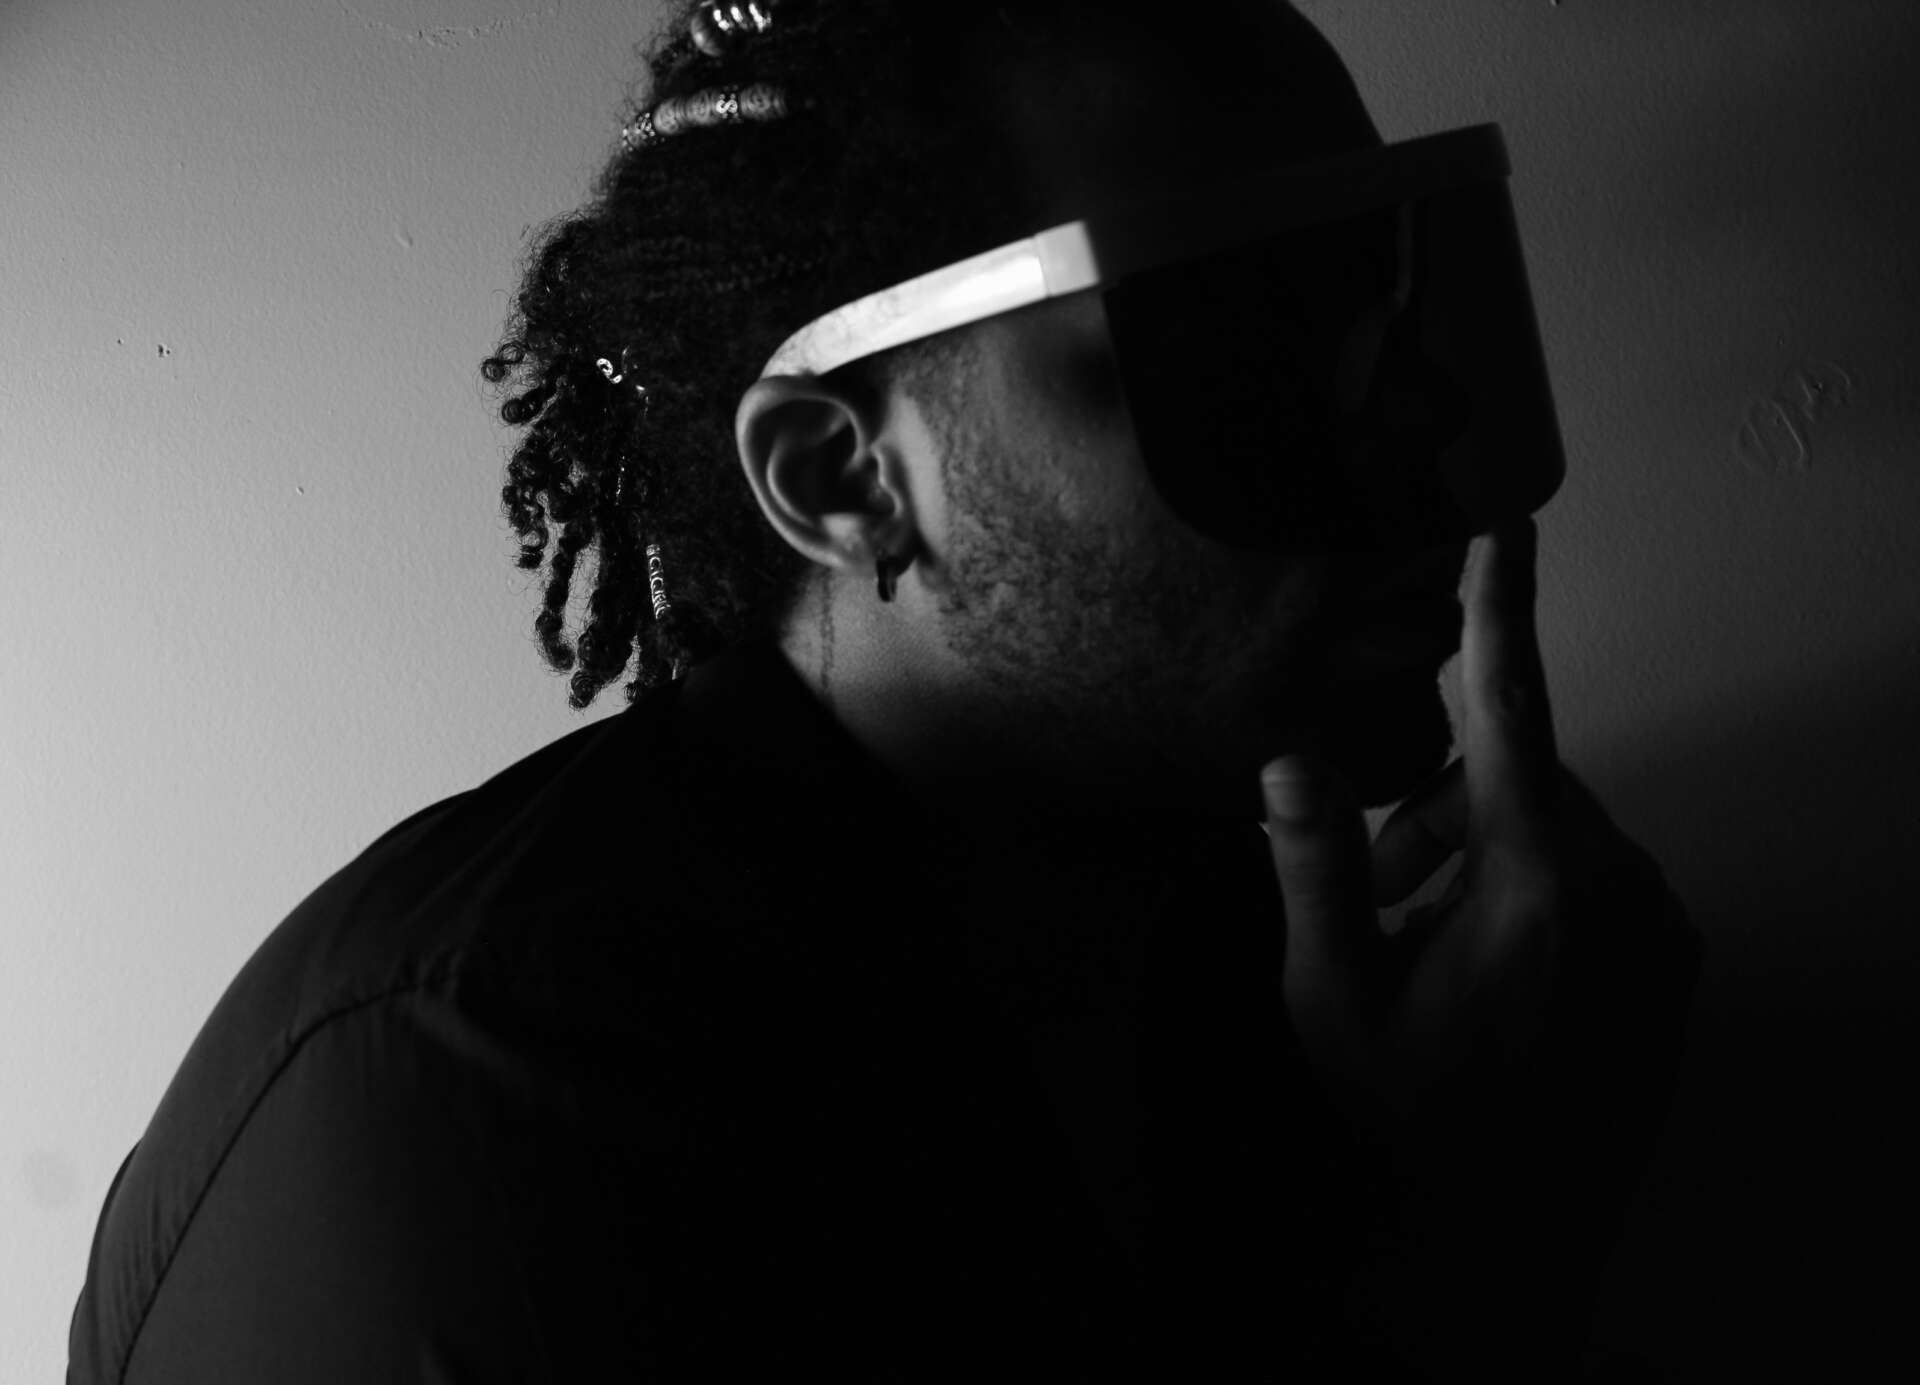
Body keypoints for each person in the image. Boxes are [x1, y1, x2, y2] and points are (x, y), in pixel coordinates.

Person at [67, 2, 1703, 1381]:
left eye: (1397, 295)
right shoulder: (509, 1098)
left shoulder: (1218, 924)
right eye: (1246, 348)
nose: (1413, 431)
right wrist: (1464, 1238)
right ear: (842, 476)